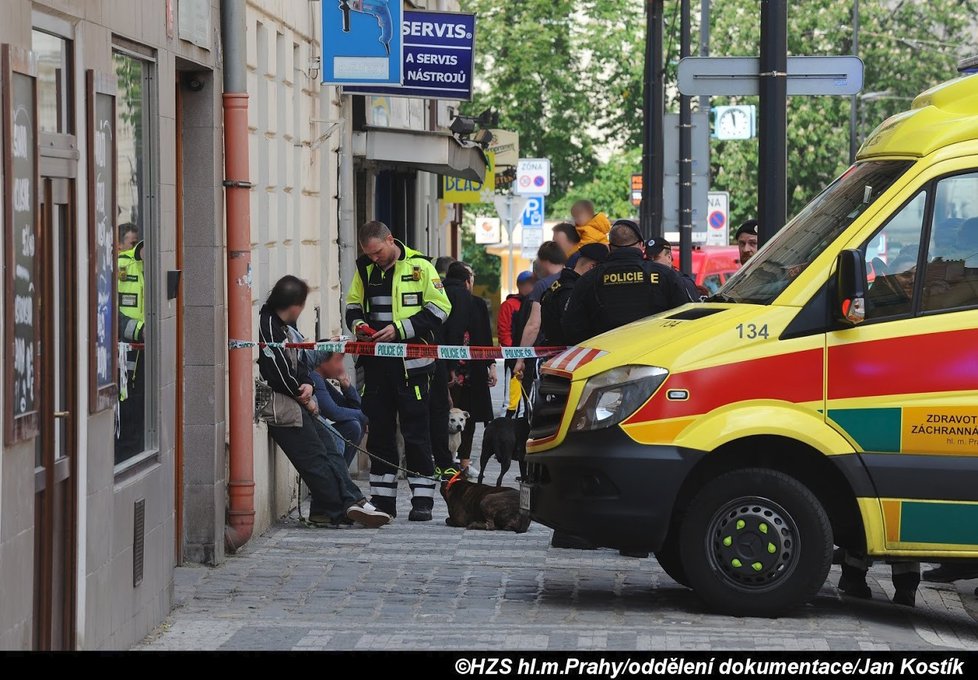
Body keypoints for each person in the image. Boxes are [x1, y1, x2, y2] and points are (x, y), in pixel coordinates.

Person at [259, 276, 391, 528]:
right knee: (316, 457)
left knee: (330, 448)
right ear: (294, 304)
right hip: (284, 405)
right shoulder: (269, 326)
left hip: (298, 399)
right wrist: (303, 393)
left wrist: (307, 382)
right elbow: (277, 369)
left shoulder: (284, 325)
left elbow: (299, 362)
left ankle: (352, 501)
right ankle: (341, 506)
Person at [345, 221, 452, 521]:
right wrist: (358, 326)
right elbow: (352, 305)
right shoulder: (365, 269)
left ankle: (422, 502)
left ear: (390, 240)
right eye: (369, 254)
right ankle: (383, 501)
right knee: (379, 433)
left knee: (416, 431)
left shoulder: (420, 267)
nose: (374, 258)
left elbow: (441, 308)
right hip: (376, 365)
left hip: (413, 366)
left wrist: (400, 329)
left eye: (377, 252)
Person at [562, 220, 692, 345]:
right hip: (654, 357)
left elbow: (572, 328)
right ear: (641, 246)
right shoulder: (666, 275)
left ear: (610, 247)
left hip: (604, 359)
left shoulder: (589, 279)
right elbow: (686, 320)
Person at [442, 261, 497, 473]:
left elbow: (482, 339)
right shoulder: (468, 302)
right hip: (460, 369)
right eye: (471, 277)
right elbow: (481, 337)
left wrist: (491, 364)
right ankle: (455, 461)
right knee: (457, 416)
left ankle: (458, 462)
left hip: (459, 369)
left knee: (459, 416)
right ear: (467, 281)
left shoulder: (473, 303)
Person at [511, 241, 567, 399]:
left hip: (545, 355)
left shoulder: (542, 286)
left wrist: (520, 359)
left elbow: (533, 326)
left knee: (540, 401)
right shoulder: (576, 278)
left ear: (544, 261)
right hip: (573, 354)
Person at [306, 349, 370, 466]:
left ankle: (342, 475)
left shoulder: (323, 381)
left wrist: (347, 387)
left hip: (320, 434)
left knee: (354, 424)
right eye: (338, 360)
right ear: (322, 360)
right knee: (353, 426)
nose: (342, 367)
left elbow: (353, 408)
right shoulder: (313, 377)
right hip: (311, 436)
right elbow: (334, 412)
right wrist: (367, 417)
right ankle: (340, 476)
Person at [540, 243, 608, 346]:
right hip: (568, 356)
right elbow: (573, 329)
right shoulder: (572, 291)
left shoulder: (561, 285)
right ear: (592, 267)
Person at [116, 239, 145, 462]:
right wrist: (140, 330)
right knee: (126, 418)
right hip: (124, 363)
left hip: (152, 362)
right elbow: (105, 313)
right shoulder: (121, 265)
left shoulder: (170, 264)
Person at [498, 271, 534, 416]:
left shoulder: (533, 304)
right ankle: (506, 423)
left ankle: (521, 423)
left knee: (526, 395)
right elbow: (504, 331)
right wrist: (514, 353)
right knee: (511, 398)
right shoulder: (509, 305)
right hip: (514, 357)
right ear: (521, 286)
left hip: (530, 356)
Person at [647, 236, 700, 301]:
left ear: (669, 257)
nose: (652, 262)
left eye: (656, 258)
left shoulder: (683, 283)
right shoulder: (646, 282)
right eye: (648, 259)